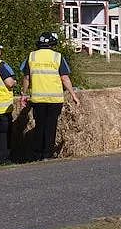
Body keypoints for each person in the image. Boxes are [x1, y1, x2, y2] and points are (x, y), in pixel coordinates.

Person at [19, 32, 79, 160]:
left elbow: (26, 78)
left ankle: (37, 154)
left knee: (39, 125)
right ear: (52, 44)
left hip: (38, 99)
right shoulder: (57, 56)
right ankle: (47, 153)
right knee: (51, 126)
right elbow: (64, 78)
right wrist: (73, 94)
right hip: (54, 99)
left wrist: (23, 94)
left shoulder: (31, 56)